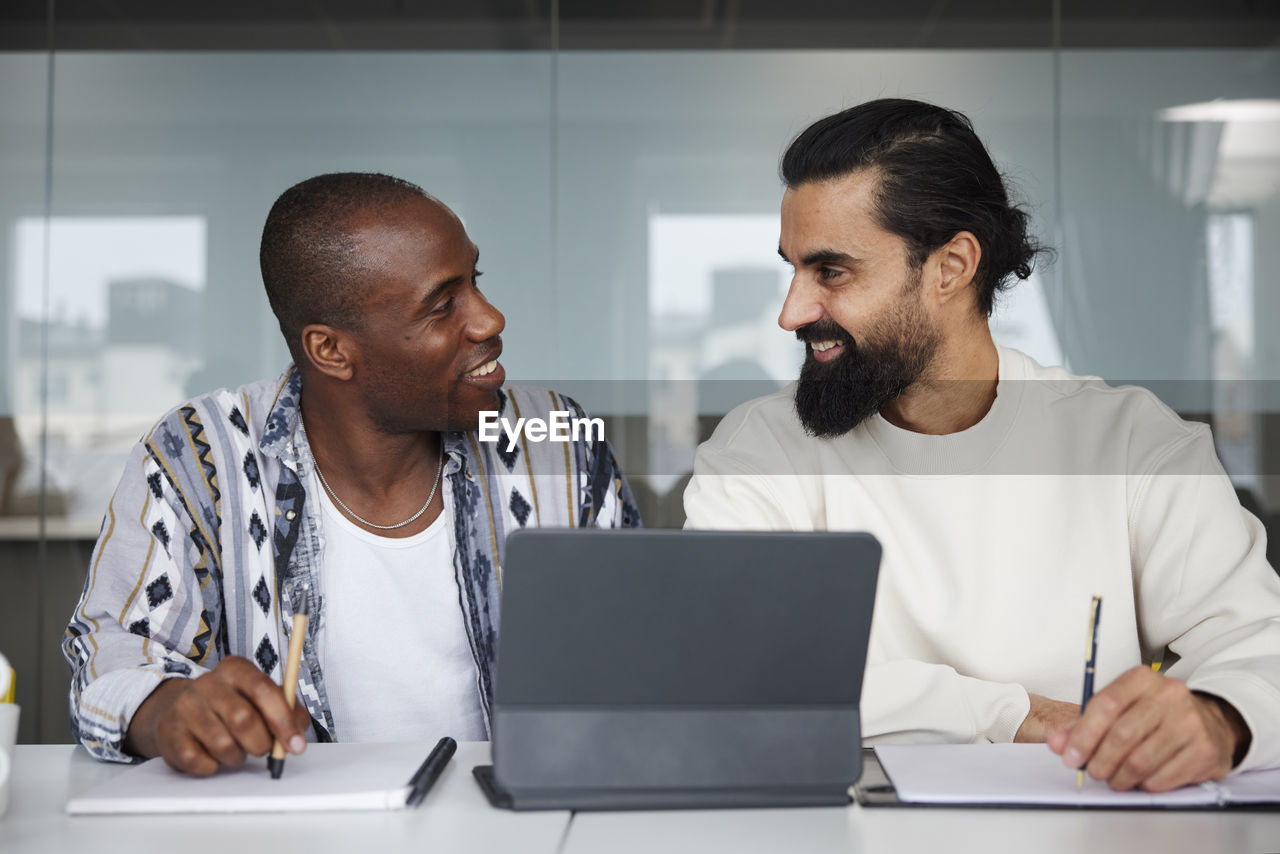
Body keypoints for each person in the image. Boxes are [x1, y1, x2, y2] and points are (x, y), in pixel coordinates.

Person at [683, 99, 1280, 791]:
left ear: (951, 266)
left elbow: (1261, 647)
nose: (791, 312)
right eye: (793, 269)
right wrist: (1017, 714)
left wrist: (1219, 720)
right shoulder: (760, 451)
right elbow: (735, 671)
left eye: (832, 272)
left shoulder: (1133, 444)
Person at [65, 173, 640, 775]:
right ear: (331, 351)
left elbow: (641, 648)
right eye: (444, 304)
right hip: (294, 833)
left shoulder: (555, 441)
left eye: (476, 282)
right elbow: (111, 660)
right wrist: (169, 708)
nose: (490, 319)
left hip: (514, 826)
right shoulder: (198, 457)